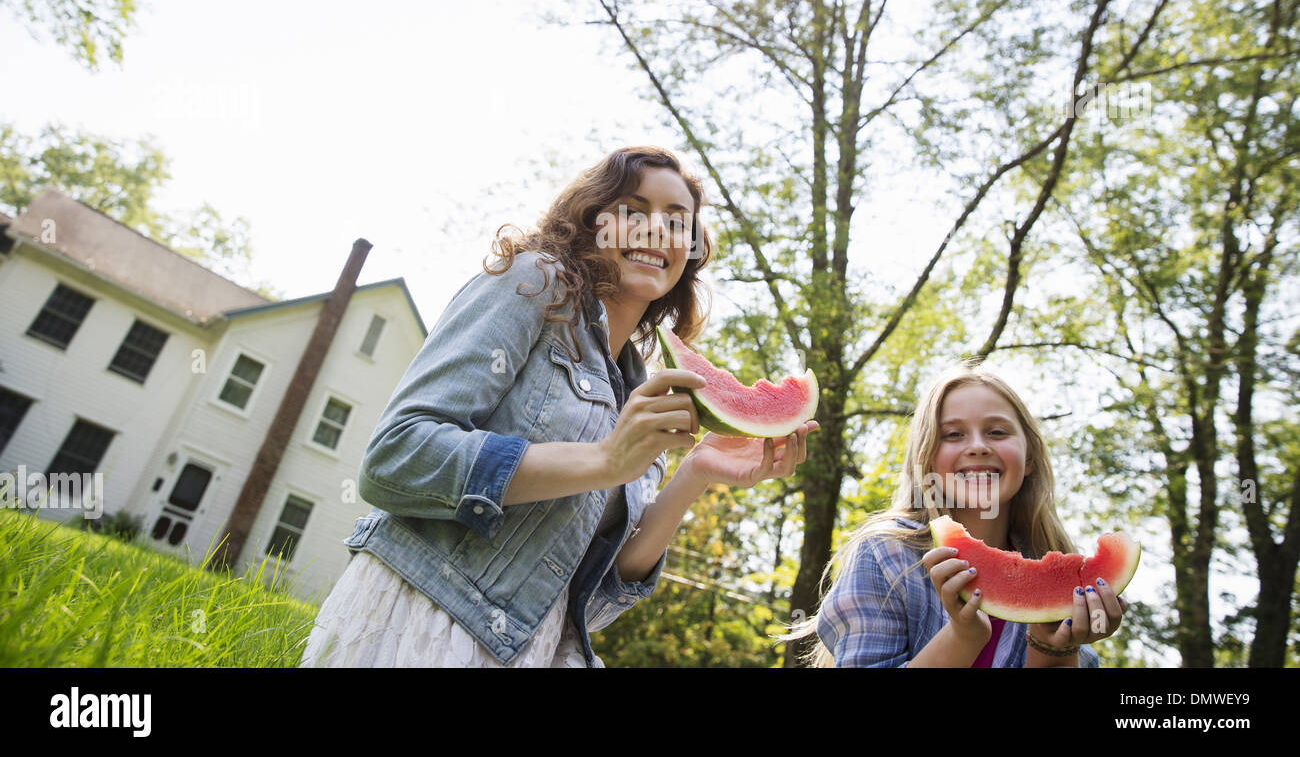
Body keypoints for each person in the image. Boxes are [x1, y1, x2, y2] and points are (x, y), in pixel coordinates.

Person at [300, 146, 815, 667]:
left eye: (678, 222)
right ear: (593, 222)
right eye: (634, 212)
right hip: (424, 627)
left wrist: (697, 471)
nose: (657, 229)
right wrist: (605, 462)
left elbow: (591, 602)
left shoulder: (641, 391)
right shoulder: (532, 282)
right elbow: (394, 458)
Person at [795, 365, 1126, 667]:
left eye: (997, 432)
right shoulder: (885, 557)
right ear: (927, 460)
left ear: (1029, 460)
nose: (978, 446)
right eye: (954, 434)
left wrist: (1054, 649)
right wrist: (964, 636)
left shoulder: (1068, 584)